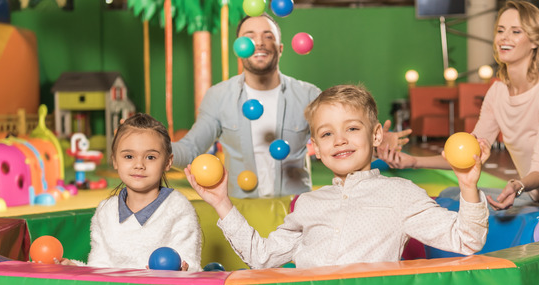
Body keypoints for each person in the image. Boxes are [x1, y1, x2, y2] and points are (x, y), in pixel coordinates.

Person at [185, 84, 490, 270]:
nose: (340, 140)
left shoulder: (401, 193)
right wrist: (222, 203)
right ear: (316, 148)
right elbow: (261, 257)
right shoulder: (307, 204)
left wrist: (467, 186)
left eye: (352, 128)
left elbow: (467, 240)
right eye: (327, 134)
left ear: (376, 135)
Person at [378, 0, 539, 216]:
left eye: (516, 31)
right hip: (534, 197)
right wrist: (411, 161)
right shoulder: (497, 92)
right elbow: (469, 153)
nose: (504, 37)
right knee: (450, 194)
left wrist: (518, 186)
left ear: (535, 41)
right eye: (500, 30)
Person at [172, 13, 409, 199]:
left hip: (295, 208)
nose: (259, 42)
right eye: (250, 36)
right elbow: (191, 148)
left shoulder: (308, 94)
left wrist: (373, 143)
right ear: (239, 47)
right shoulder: (218, 96)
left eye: (268, 36)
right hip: (240, 209)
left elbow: (337, 142)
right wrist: (161, 152)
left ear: (280, 48)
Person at [59, 114, 202, 271]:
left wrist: (180, 271)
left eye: (150, 157)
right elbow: (100, 268)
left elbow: (190, 264)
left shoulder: (178, 208)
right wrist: (76, 267)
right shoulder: (106, 211)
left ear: (168, 162)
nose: (139, 165)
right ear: (115, 160)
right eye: (129, 156)